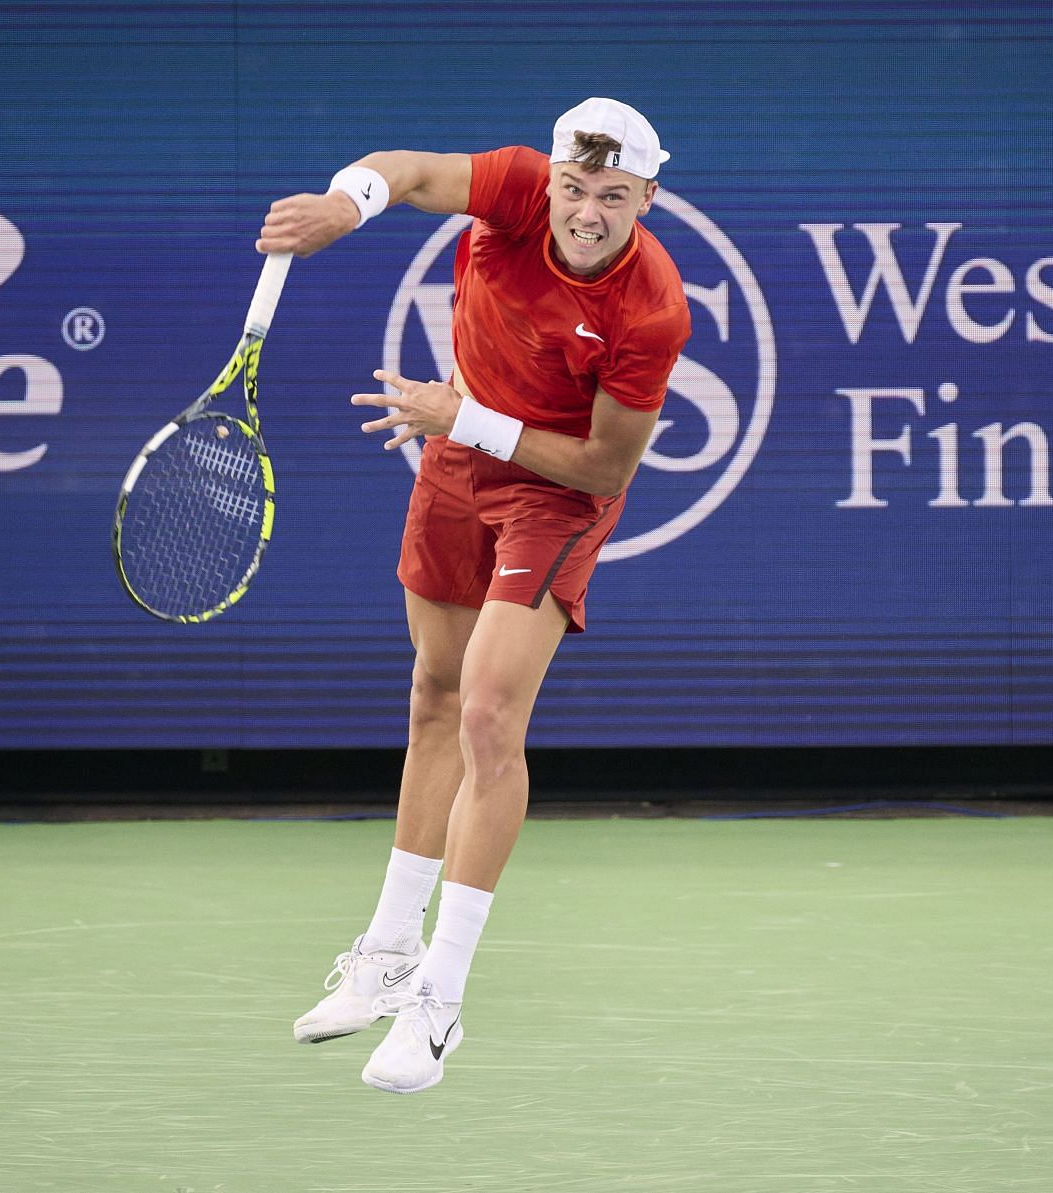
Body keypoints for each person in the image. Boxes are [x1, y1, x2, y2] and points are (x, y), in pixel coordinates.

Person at [255, 98, 691, 1094]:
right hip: (457, 462)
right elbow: (402, 166)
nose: (586, 211)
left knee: (492, 716)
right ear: (551, 179)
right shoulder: (512, 186)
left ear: (647, 199)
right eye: (573, 189)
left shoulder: (652, 307)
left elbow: (604, 465)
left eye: (613, 196)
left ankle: (438, 1003)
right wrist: (344, 205)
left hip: (555, 492)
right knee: (435, 698)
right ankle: (386, 949)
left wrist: (468, 416)